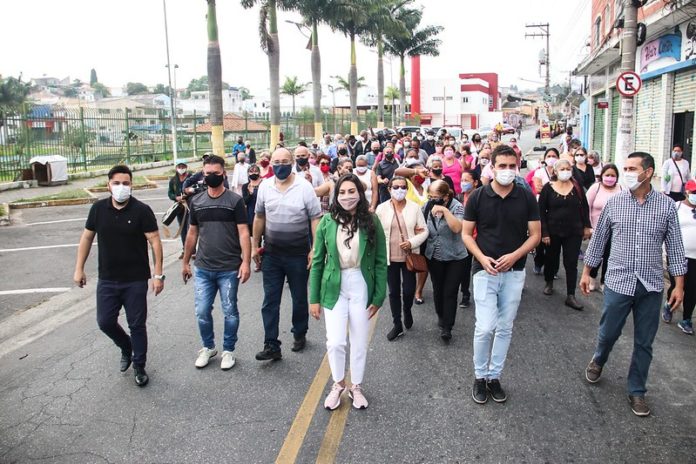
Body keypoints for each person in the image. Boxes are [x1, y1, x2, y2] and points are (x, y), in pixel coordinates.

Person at [580, 151, 686, 417]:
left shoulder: (665, 207)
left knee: (644, 342)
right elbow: (599, 240)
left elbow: (675, 248)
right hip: (618, 281)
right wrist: (587, 272)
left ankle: (637, 390)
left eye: (631, 168)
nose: (626, 172)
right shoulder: (615, 204)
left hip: (650, 287)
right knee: (609, 332)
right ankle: (599, 359)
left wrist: (679, 285)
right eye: (624, 167)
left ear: (648, 172)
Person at [462, 145, 541, 404]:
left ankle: (494, 377)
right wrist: (482, 258)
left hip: (514, 272)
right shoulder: (477, 197)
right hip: (484, 270)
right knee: (485, 327)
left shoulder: (526, 197)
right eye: (502, 166)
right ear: (492, 167)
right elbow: (466, 234)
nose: (507, 171)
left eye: (511, 166)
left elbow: (536, 235)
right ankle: (479, 376)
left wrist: (515, 256)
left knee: (505, 327)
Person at [73, 165, 164, 387]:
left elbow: (154, 240)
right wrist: (79, 268)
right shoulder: (98, 209)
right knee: (105, 322)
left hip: (135, 280)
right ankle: (126, 346)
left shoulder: (142, 210)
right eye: (117, 183)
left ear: (131, 185)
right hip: (108, 279)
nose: (121, 187)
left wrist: (158, 274)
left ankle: (139, 366)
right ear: (108, 185)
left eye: (126, 183)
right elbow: (86, 238)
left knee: (137, 324)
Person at [309, 174, 387, 410]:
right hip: (334, 284)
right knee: (335, 342)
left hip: (361, 284)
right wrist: (314, 299)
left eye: (351, 191)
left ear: (360, 194)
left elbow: (381, 261)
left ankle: (356, 386)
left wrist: (379, 295)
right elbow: (318, 262)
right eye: (342, 192)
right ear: (336, 195)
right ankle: (338, 384)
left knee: (360, 340)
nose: (347, 196)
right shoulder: (327, 222)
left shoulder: (372, 221)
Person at [182, 155, 251, 371]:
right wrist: (185, 262)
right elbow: (192, 234)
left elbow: (243, 232)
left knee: (230, 311)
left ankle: (228, 350)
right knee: (202, 311)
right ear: (203, 174)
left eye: (215, 173)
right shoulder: (197, 202)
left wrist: (246, 262)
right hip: (203, 267)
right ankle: (208, 347)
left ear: (223, 173)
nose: (211, 176)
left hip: (229, 268)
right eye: (207, 173)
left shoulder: (234, 201)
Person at [252, 148, 323, 361]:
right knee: (270, 300)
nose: (280, 164)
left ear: (292, 162)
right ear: (270, 163)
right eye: (276, 161)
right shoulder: (265, 186)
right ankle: (271, 344)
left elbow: (315, 219)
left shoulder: (304, 187)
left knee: (299, 297)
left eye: (284, 161)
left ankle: (299, 332)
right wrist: (255, 244)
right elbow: (259, 217)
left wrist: (315, 249)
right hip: (272, 255)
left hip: (298, 254)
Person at [375, 176, 429, 341]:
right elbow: (376, 232)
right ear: (389, 189)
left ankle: (407, 309)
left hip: (408, 257)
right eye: (396, 187)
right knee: (393, 291)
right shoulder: (382, 208)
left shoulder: (414, 208)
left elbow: (424, 230)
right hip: (389, 258)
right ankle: (397, 323)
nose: (400, 190)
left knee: (408, 290)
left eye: (403, 187)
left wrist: (411, 242)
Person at [538, 159, 592, 310]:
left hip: (574, 231)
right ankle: (549, 282)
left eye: (568, 168)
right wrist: (545, 232)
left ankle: (571, 295)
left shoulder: (577, 187)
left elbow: (585, 208)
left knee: (571, 263)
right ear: (555, 171)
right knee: (551, 259)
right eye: (562, 169)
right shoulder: (548, 188)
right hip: (553, 231)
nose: (565, 171)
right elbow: (541, 211)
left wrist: (587, 226)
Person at [422, 180, 467, 342]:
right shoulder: (427, 206)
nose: (433, 200)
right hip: (434, 255)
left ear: (446, 196)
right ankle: (440, 315)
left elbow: (457, 228)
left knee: (450, 291)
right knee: (438, 289)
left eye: (436, 197)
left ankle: (447, 327)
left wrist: (444, 211)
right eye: (430, 196)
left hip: (455, 256)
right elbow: (419, 226)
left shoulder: (457, 207)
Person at [585, 164, 623, 291]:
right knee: (596, 255)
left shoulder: (622, 189)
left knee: (609, 256)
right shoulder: (596, 188)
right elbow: (586, 207)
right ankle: (591, 278)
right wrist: (588, 226)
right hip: (597, 229)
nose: (610, 178)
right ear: (602, 176)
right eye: (607, 175)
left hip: (615, 230)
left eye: (613, 175)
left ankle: (604, 281)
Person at [667, 180, 696, 335]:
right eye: (694, 193)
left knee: (692, 289)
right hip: (678, 255)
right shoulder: (676, 207)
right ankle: (669, 305)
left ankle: (686, 319)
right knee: (676, 285)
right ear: (687, 192)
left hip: (695, 258)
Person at [459, 170, 480, 308]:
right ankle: (465, 294)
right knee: (464, 268)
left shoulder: (482, 196)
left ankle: (484, 294)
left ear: (475, 182)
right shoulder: (460, 197)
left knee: (481, 267)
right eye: (462, 180)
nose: (463, 183)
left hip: (481, 238)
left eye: (467, 180)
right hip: (466, 238)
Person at [168, 161, 192, 258]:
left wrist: (189, 193)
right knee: (182, 229)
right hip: (180, 207)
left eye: (183, 166)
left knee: (191, 228)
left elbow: (196, 189)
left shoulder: (191, 178)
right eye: (179, 166)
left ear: (186, 167)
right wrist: (176, 197)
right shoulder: (173, 180)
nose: (181, 168)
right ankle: (185, 250)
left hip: (190, 206)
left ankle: (192, 250)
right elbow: (170, 193)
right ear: (176, 167)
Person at [242, 164, 263, 271]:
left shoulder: (264, 183)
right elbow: (244, 201)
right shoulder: (246, 186)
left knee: (268, 239)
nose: (253, 173)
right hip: (251, 215)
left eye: (256, 171)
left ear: (259, 172)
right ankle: (258, 263)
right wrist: (249, 194)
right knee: (256, 240)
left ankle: (267, 259)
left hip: (264, 215)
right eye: (251, 171)